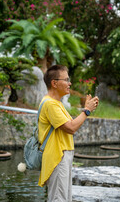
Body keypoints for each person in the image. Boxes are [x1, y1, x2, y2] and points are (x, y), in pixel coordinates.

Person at [38, 65, 99, 201]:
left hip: (62, 154)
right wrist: (87, 111)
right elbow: (71, 127)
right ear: (54, 83)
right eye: (66, 79)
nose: (69, 83)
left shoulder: (56, 103)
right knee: (59, 198)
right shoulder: (50, 104)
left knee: (64, 198)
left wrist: (86, 108)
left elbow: (70, 125)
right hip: (57, 156)